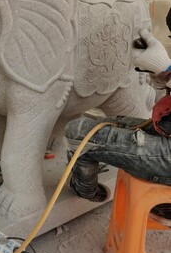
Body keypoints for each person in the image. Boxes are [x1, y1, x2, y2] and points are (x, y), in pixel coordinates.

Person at [64, 13, 171, 224]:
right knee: (87, 128)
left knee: (79, 135)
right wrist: (159, 75)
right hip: (165, 134)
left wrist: (167, 71)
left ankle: (87, 192)